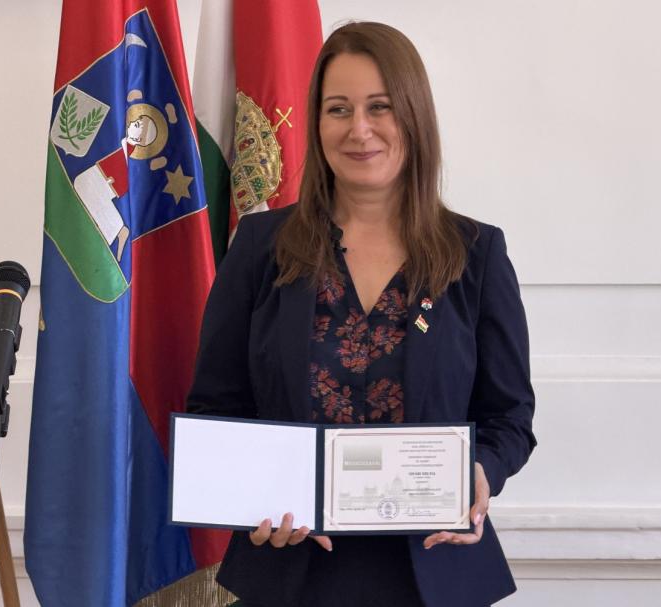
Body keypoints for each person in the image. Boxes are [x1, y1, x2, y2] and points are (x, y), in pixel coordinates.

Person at [187, 21, 536, 607]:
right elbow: (216, 409)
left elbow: (510, 417)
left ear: (414, 116)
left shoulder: (476, 254)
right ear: (317, 122)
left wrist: (480, 471)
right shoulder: (260, 247)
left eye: (380, 107)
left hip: (434, 573)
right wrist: (253, 498)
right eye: (338, 109)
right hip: (288, 571)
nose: (359, 129)